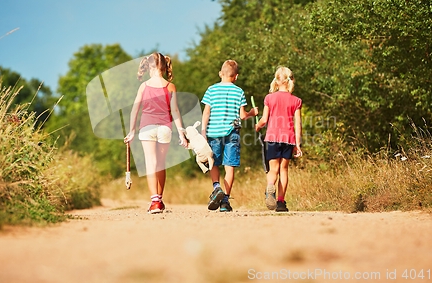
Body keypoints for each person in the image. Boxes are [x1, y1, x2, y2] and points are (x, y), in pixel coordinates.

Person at [124, 52, 187, 214]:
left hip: (147, 128)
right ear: (165, 67)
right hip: (165, 128)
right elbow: (175, 111)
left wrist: (131, 132)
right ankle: (160, 199)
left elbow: (134, 111)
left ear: (149, 67)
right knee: (160, 164)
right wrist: (181, 133)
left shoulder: (143, 86)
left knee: (150, 164)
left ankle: (155, 202)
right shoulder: (170, 86)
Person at [201, 60, 258, 212]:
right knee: (229, 166)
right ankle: (225, 201)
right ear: (236, 76)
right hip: (232, 133)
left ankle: (216, 187)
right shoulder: (238, 91)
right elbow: (242, 115)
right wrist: (252, 113)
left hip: (213, 133)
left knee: (213, 163)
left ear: (220, 73)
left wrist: (203, 131)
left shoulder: (211, 90)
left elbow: (206, 112)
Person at [255, 66, 302, 212]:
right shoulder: (296, 101)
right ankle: (281, 202)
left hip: (272, 137)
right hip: (288, 138)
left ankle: (270, 188)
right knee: (284, 169)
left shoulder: (269, 98)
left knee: (273, 169)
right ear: (290, 80)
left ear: (276, 80)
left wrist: (258, 126)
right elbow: (298, 124)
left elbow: (264, 119)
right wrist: (298, 144)